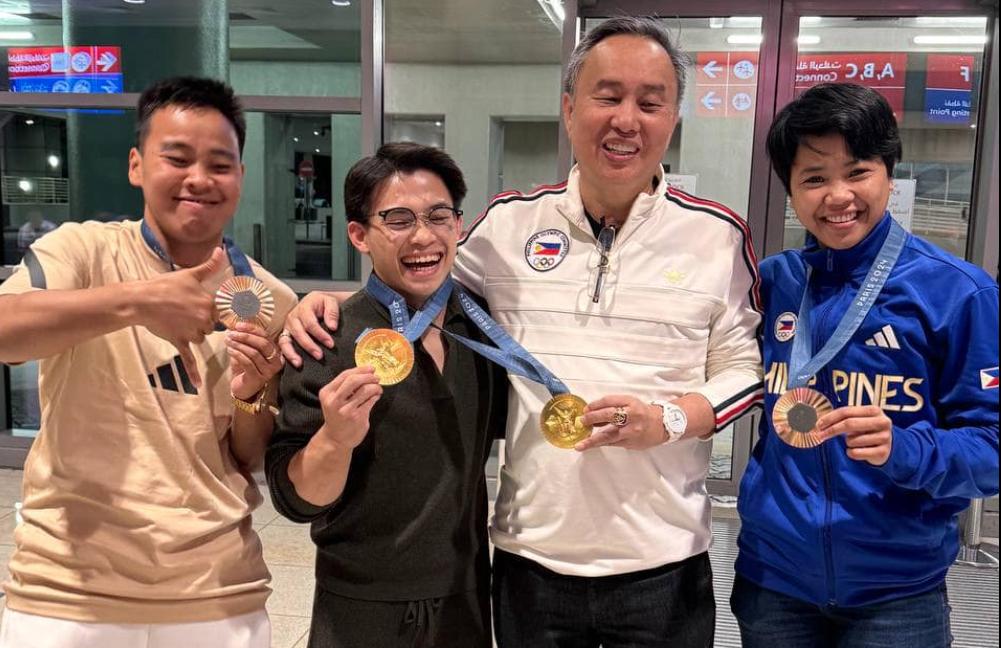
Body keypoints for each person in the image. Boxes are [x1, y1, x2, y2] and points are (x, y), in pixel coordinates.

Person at [282, 17, 763, 647]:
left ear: (674, 117)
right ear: (569, 108)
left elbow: (743, 369)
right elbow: (422, 275)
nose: (627, 120)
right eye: (607, 96)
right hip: (529, 561)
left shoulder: (716, 235)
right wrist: (323, 301)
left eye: (651, 102)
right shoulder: (508, 226)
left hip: (663, 561)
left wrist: (669, 420)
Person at [0, 77, 297, 648]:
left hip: (216, 593)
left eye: (220, 164)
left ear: (239, 176)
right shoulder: (83, 251)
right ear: (137, 165)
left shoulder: (266, 298)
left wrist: (250, 392)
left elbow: (247, 455)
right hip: (67, 590)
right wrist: (136, 302)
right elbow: (7, 333)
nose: (199, 180)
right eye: (177, 158)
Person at [730, 82, 999, 648]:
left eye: (857, 171)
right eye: (813, 178)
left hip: (897, 595)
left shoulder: (957, 292)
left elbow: (993, 447)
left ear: (888, 173)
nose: (837, 196)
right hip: (773, 583)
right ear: (791, 190)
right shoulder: (773, 284)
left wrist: (906, 449)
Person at [266, 142, 507, 648]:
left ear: (459, 226)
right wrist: (335, 439)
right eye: (397, 220)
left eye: (439, 216)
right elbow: (295, 500)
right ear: (359, 234)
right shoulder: (325, 338)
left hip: (464, 593)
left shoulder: (488, 329)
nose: (424, 236)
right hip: (360, 602)